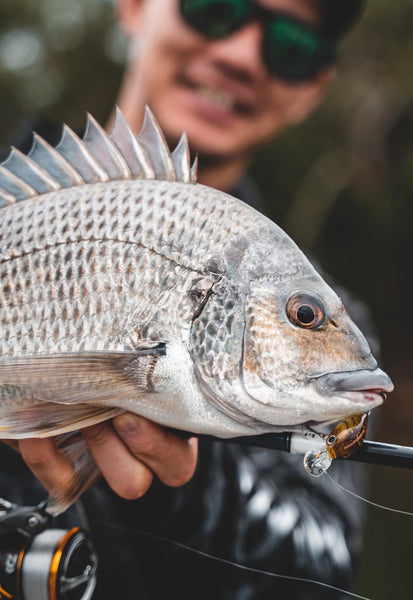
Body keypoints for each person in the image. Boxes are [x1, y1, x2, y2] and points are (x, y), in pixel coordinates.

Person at [0, 1, 376, 598]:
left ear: (313, 88)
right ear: (134, 7)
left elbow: (321, 570)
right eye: (215, 8)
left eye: (290, 45)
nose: (240, 55)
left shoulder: (336, 348)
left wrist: (192, 484)